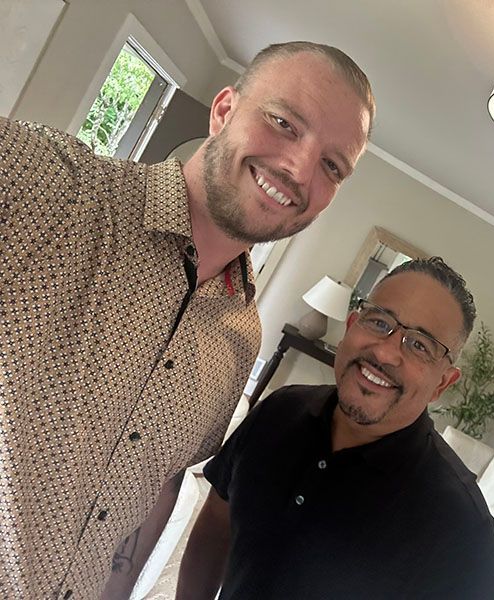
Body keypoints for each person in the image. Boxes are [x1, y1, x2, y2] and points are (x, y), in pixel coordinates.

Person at [0, 41, 374, 599]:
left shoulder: (243, 336)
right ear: (224, 109)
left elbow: (159, 481)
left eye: (331, 165)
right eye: (284, 122)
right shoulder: (51, 185)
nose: (299, 169)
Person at [177, 257, 494, 599]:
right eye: (379, 322)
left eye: (420, 345)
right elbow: (216, 521)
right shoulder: (278, 410)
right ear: (351, 326)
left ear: (442, 384)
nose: (387, 352)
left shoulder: (461, 526)